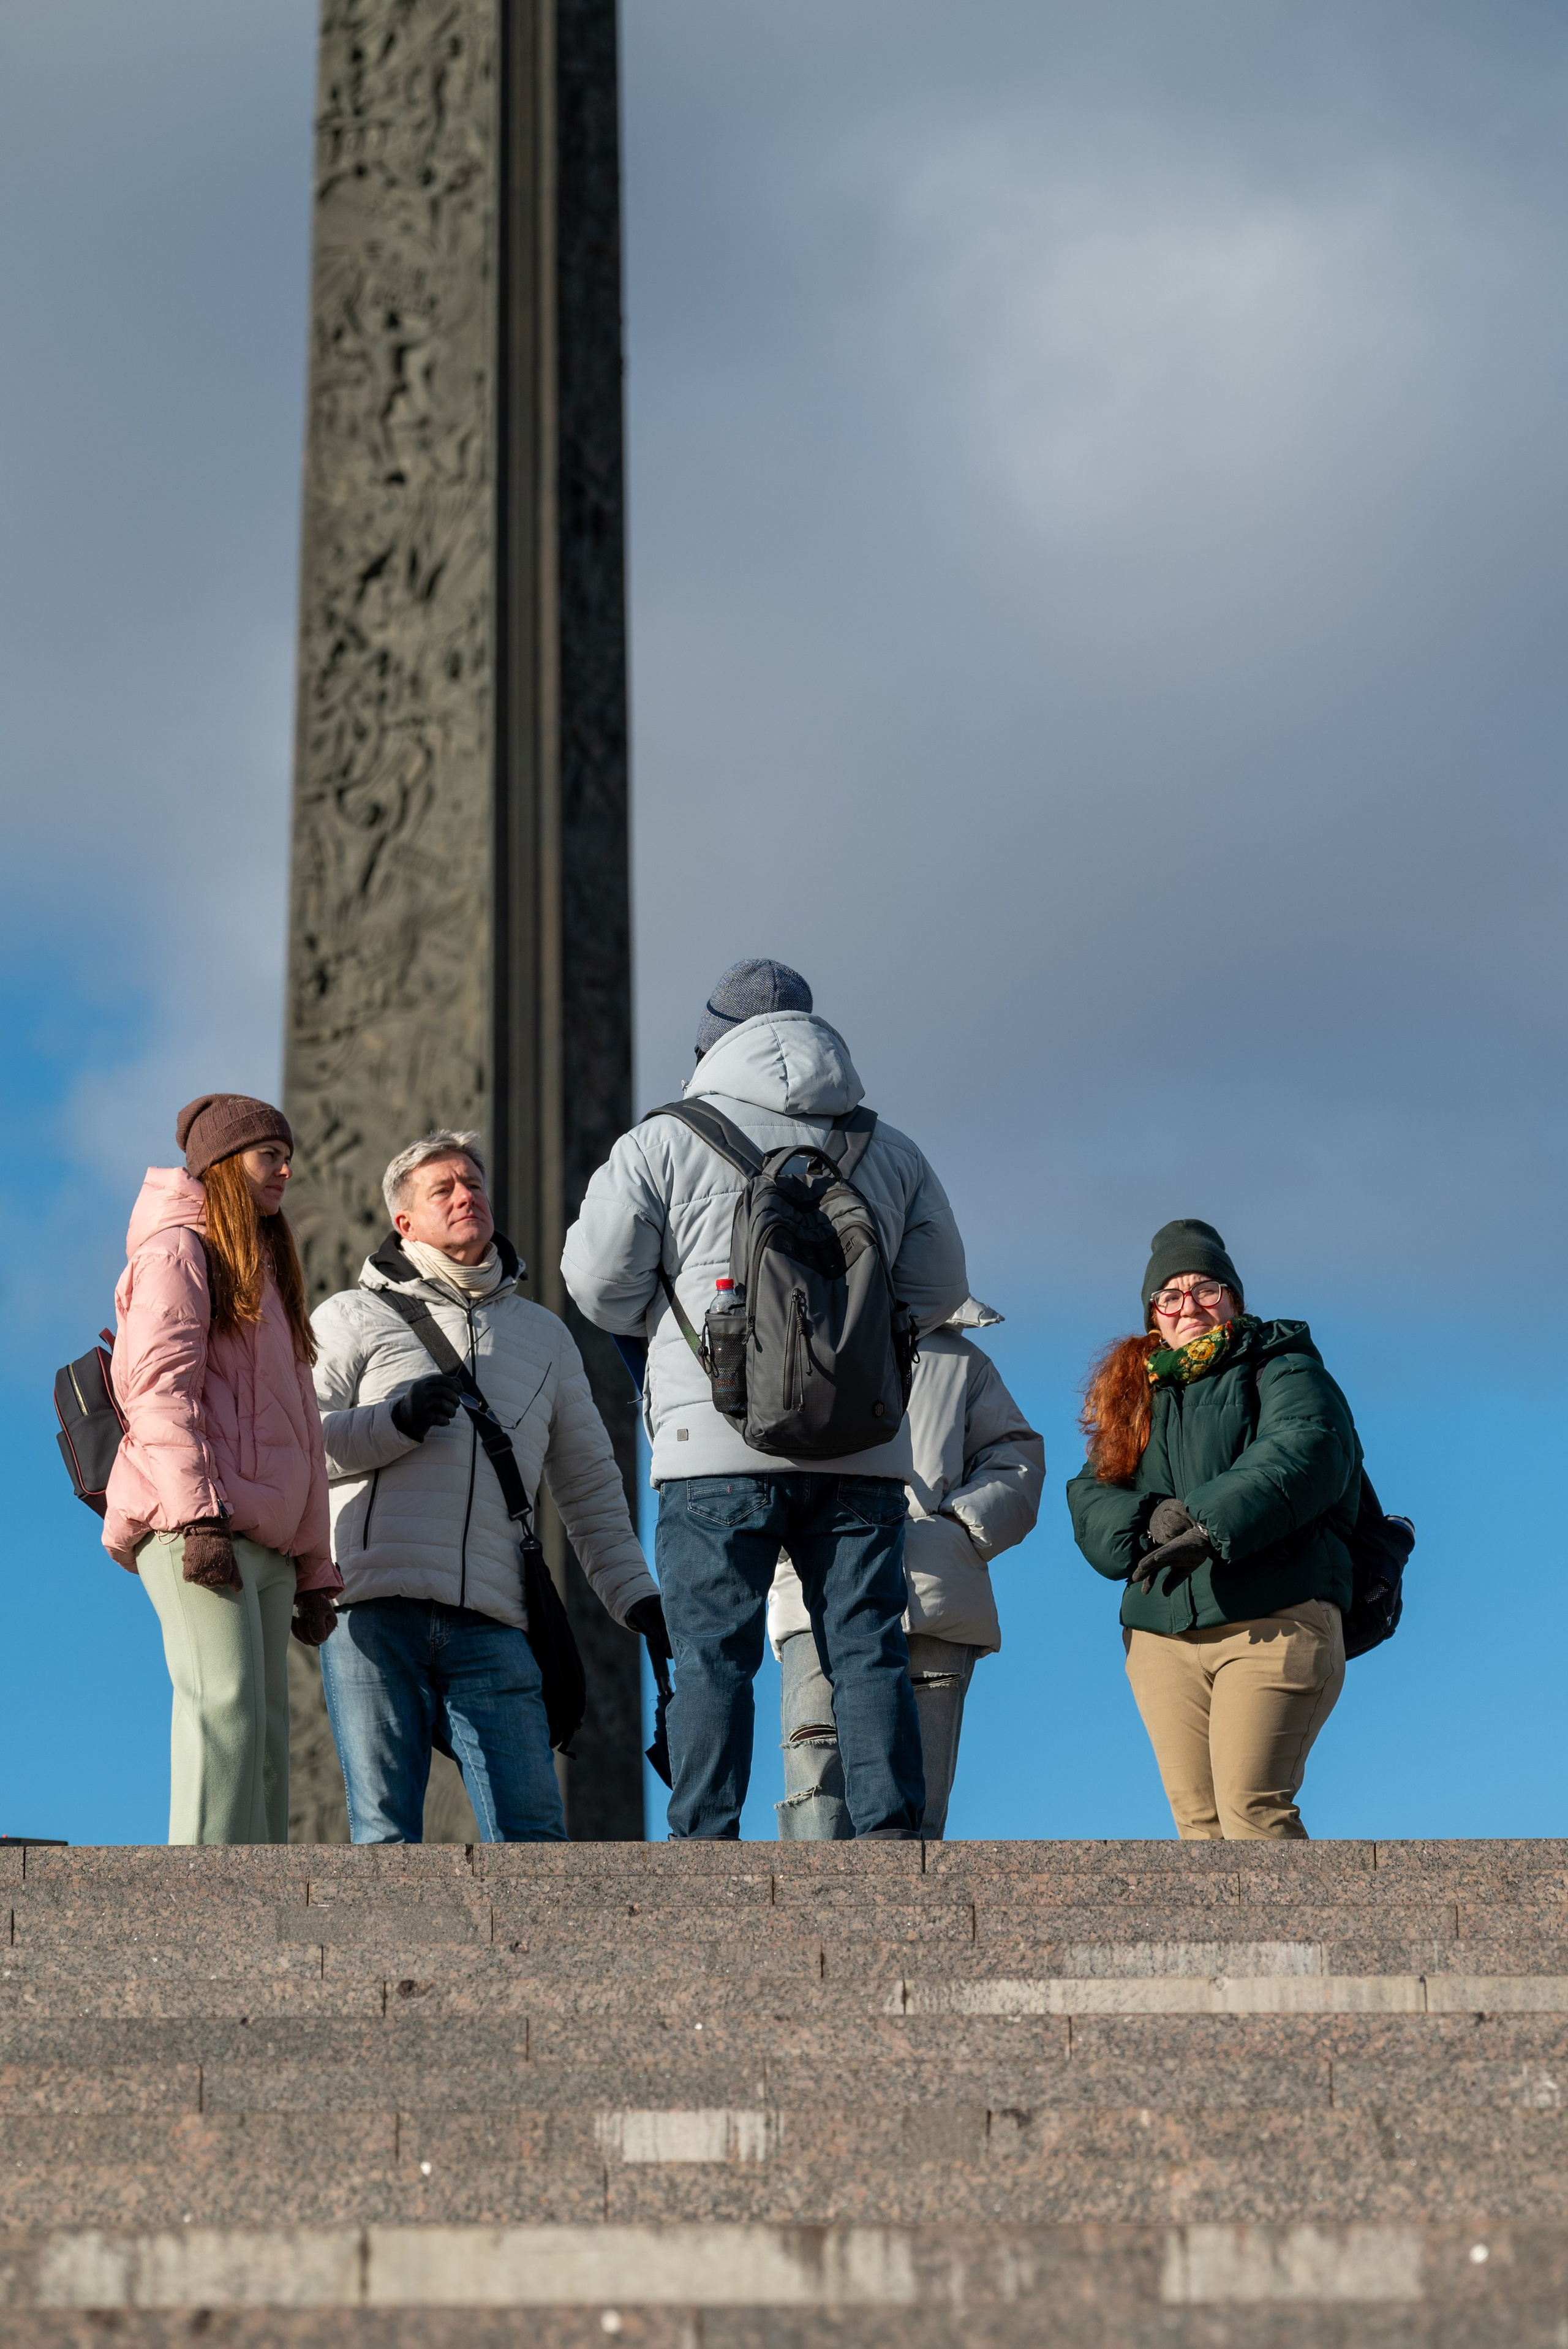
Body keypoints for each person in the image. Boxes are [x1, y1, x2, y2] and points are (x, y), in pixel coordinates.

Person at [561, 957, 968, 1841]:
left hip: (715, 1439)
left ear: (712, 1043)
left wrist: (678, 1325)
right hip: (860, 1444)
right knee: (868, 1646)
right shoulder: (890, 1146)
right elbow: (938, 1292)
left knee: (713, 1654)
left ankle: (705, 1840)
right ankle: (892, 1839)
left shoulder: (662, 1138)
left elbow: (595, 1285)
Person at [310, 1129, 665, 1843]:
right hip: (373, 1606)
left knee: (534, 1833)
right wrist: (391, 1424)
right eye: (442, 1188)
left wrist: (636, 1596)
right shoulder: (349, 1315)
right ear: (403, 1222)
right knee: (384, 1829)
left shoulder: (545, 1335)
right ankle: (391, 1962)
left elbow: (590, 1486)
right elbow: (297, 1450)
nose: (465, 1195)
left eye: (473, 1184)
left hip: (496, 1619)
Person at [1068, 1218, 1360, 1841]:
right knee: (1198, 1832)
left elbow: (1306, 1448)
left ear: (1233, 1298)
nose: (1188, 1306)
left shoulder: (1281, 1367)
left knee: (1251, 1809)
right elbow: (1091, 1496)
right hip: (1161, 1636)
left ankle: (1296, 1942)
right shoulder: (1133, 1394)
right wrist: (1147, 1517)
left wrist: (1204, 1517)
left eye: (1205, 1288)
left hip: (1274, 1619)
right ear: (1153, 1313)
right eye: (1169, 1295)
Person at [103, 1094, 338, 1846]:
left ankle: (261, 1911)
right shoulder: (177, 1249)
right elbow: (157, 1391)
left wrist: (313, 1566)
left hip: (263, 1537)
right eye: (269, 1154)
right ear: (224, 1164)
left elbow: (299, 1429)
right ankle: (195, 1907)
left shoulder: (264, 1268)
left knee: (265, 1736)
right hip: (196, 1523)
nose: (286, 1169)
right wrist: (198, 1516)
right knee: (223, 1706)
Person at [768, 1297, 1043, 1840]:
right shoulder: (790, 1332)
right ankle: (811, 1923)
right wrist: (788, 1536)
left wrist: (954, 1533)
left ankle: (906, 1926)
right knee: (815, 1794)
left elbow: (1017, 1460)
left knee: (920, 1808)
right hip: (816, 1591)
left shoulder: (960, 1359)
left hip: (932, 1595)